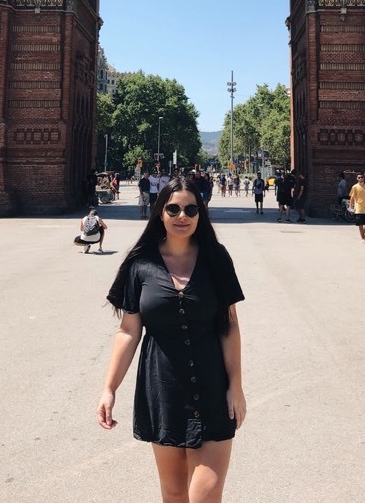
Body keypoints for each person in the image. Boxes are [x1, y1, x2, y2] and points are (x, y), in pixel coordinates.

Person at [97, 177, 246, 502]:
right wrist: (109, 389)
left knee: (204, 495)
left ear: (200, 213)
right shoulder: (140, 265)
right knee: (174, 493)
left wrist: (236, 385)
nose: (183, 216)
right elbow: (128, 331)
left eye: (191, 209)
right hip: (162, 390)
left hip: (212, 389)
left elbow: (229, 325)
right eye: (174, 208)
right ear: (160, 212)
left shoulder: (216, 259)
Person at [349, 172, 365, 243]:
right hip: (359, 207)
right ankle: (363, 238)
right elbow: (352, 198)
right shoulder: (355, 187)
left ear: (363, 178)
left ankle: (362, 234)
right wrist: (351, 207)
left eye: (362, 177)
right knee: (360, 224)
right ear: (357, 179)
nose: (360, 178)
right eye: (359, 177)